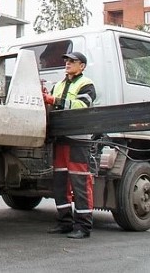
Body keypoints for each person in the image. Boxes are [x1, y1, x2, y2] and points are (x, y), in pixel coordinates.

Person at [42, 51, 97, 240]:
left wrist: (54, 100)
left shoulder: (87, 84)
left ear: (82, 66)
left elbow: (82, 105)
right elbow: (50, 106)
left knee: (80, 183)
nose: (67, 63)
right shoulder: (58, 85)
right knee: (60, 183)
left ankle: (83, 226)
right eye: (66, 60)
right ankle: (64, 222)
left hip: (78, 141)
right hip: (60, 140)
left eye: (72, 61)